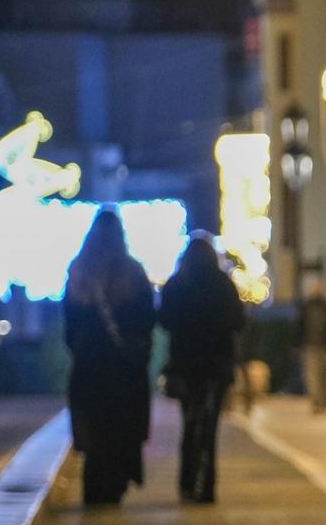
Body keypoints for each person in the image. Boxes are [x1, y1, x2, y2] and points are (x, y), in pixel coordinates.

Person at [64, 208, 157, 506]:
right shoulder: (133, 272)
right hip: (125, 369)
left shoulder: (79, 271)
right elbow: (147, 319)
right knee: (121, 430)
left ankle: (94, 487)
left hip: (89, 366)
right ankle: (115, 484)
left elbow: (69, 322)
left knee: (94, 430)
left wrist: (81, 349)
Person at [158, 233, 247, 504]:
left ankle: (186, 481)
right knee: (210, 426)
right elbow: (239, 321)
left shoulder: (177, 283)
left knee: (189, 420)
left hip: (185, 364)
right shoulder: (223, 284)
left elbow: (164, 320)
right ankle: (206, 486)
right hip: (216, 364)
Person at [296, 279, 326, 412]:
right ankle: (323, 399)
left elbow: (300, 327)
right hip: (324, 345)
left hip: (312, 344)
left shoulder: (307, 307)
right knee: (325, 374)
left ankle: (317, 400)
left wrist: (298, 343)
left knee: (314, 374)